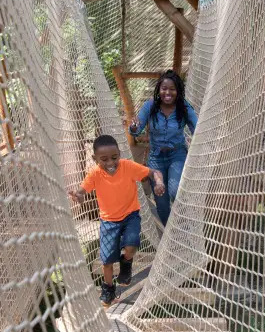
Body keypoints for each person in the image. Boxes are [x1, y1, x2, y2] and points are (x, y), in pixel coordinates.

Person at [68, 134, 165, 307]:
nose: (111, 163)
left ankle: (126, 262)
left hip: (130, 216)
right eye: (104, 159)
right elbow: (83, 191)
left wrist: (158, 182)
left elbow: (153, 172)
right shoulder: (95, 174)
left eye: (114, 157)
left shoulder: (127, 167)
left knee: (132, 244)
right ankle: (108, 289)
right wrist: (79, 196)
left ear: (120, 154)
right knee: (106, 261)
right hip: (108, 221)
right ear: (95, 159)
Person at [128, 70, 198, 226]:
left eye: (172, 89)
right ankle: (169, 235)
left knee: (175, 191)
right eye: (164, 88)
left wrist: (200, 140)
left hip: (177, 155)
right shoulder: (150, 106)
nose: (168, 92)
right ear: (159, 90)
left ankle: (184, 225)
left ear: (178, 91)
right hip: (156, 158)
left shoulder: (184, 107)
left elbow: (197, 128)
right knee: (161, 201)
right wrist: (134, 127)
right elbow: (136, 130)